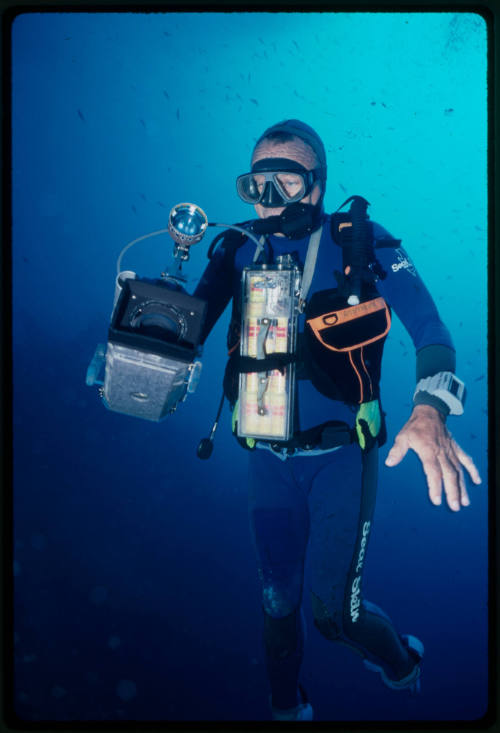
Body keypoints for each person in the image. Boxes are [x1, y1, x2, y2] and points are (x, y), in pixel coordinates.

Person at [193, 119, 481, 721]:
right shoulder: (237, 247)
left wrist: (430, 408)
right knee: (276, 602)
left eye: (286, 182)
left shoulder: (362, 242)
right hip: (266, 459)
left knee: (334, 617)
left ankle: (403, 664)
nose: (268, 200)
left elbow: (432, 330)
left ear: (317, 186)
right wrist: (138, 341)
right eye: (256, 183)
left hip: (342, 459)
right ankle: (285, 709)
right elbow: (186, 328)